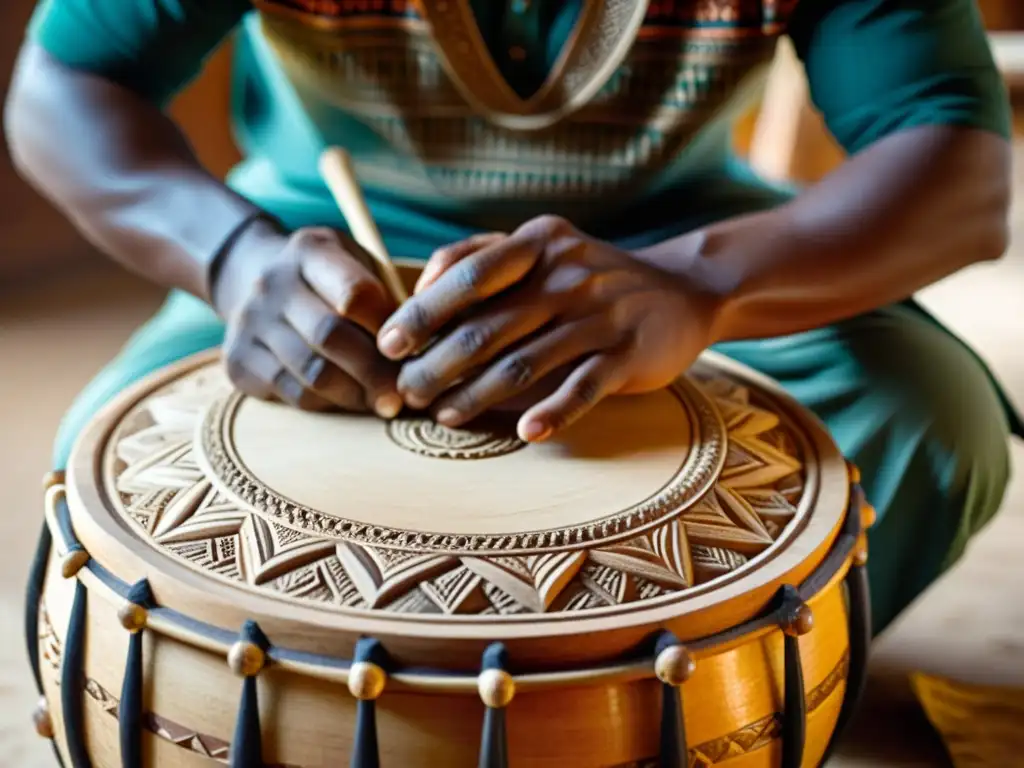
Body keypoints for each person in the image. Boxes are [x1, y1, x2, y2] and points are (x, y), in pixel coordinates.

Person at [5, 0, 1019, 636]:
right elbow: (61, 86)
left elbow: (960, 172)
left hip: (673, 236)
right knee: (112, 491)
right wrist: (230, 259)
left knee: (925, 419)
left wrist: (696, 285)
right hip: (321, 254)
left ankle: (690, 709)